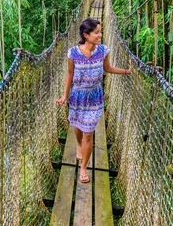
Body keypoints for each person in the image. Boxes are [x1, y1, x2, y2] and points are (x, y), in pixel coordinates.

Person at [55, 18, 131, 183]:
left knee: (88, 133)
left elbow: (108, 68)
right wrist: (64, 96)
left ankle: (83, 167)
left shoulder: (103, 50)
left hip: (95, 98)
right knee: (77, 126)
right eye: (96, 32)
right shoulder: (73, 53)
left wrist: (126, 71)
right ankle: (79, 144)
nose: (100, 35)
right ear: (86, 35)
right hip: (78, 97)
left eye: (100, 31)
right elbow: (69, 74)